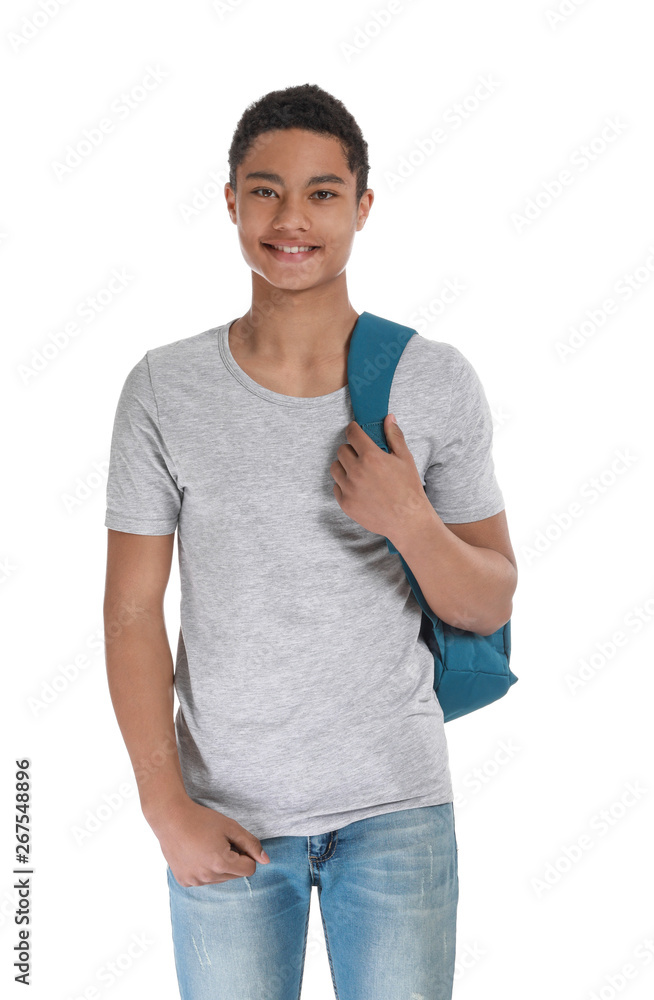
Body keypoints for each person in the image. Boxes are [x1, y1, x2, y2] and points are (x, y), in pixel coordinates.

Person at [103, 83, 517, 1000]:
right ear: (231, 202)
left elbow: (488, 601)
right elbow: (132, 610)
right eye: (265, 190)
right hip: (223, 816)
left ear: (364, 207)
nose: (293, 218)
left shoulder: (434, 379)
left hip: (396, 811)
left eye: (324, 193)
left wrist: (408, 518)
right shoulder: (164, 389)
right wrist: (164, 805)